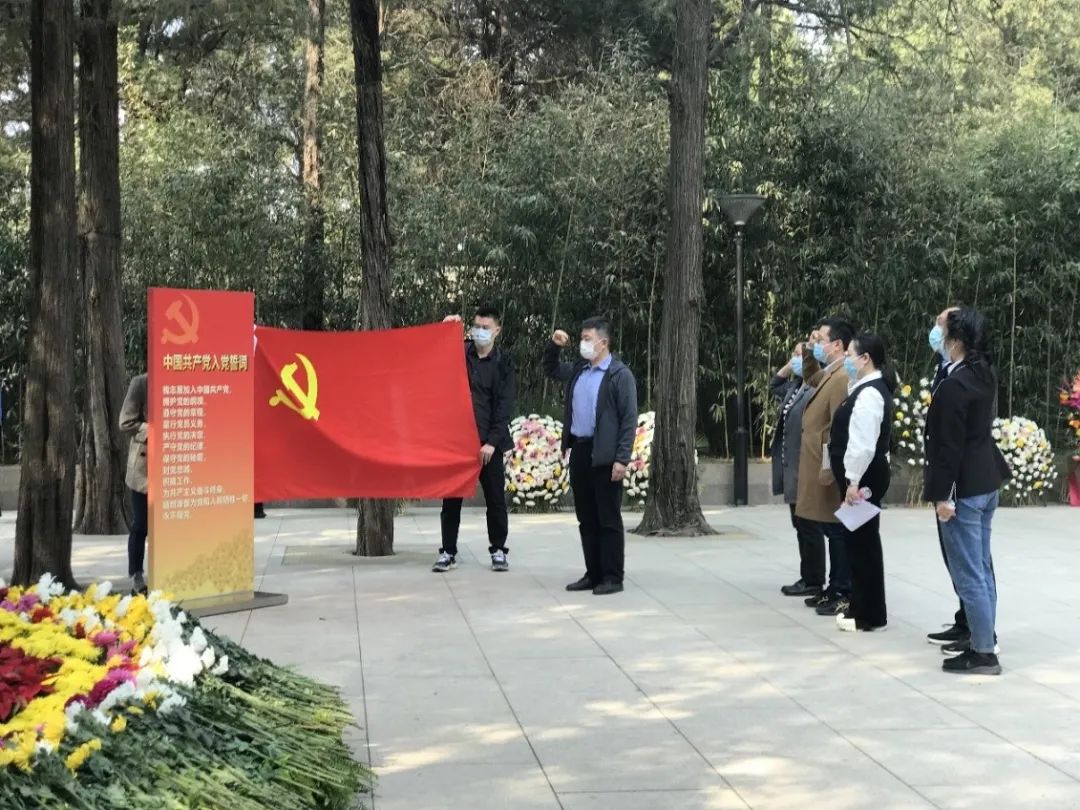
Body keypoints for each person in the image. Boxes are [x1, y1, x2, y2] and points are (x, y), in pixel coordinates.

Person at [924, 307, 1010, 675]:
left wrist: (944, 496)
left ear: (956, 341)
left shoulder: (954, 385)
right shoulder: (982, 373)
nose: (938, 337)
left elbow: (947, 447)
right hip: (985, 481)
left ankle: (984, 652)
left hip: (964, 489)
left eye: (942, 331)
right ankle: (982, 637)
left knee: (970, 572)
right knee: (982, 567)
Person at [544, 317, 637, 596]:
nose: (583, 343)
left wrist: (622, 458)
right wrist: (554, 347)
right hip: (581, 450)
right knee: (586, 517)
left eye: (587, 339)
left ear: (603, 343)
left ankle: (612, 576)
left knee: (607, 518)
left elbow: (629, 419)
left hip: (606, 454)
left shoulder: (619, 375)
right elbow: (551, 369)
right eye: (582, 338)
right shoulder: (579, 370)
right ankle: (593, 573)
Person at [433, 306, 516, 573]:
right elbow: (433, 357)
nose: (480, 331)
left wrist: (491, 442)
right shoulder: (460, 353)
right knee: (451, 500)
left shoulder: (503, 363)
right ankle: (448, 551)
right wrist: (444, 328)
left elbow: (504, 405)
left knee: (495, 499)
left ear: (497, 331)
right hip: (458, 443)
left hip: (489, 444)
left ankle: (498, 550)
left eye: (485, 327)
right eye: (476, 326)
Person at [829, 333, 895, 632]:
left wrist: (852, 481)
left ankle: (868, 614)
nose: (847, 360)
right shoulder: (864, 388)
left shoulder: (870, 393)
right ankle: (862, 607)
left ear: (865, 358)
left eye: (850, 355)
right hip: (863, 475)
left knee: (863, 545)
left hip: (864, 476)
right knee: (859, 543)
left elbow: (863, 443)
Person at [795, 319, 856, 616]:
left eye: (821, 340)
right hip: (817, 462)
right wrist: (808, 350)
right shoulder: (831, 372)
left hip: (827, 465)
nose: (816, 343)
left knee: (836, 529)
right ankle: (834, 587)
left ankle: (841, 588)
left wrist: (829, 467)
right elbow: (811, 377)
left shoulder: (842, 376)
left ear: (837, 345)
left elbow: (836, 429)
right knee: (829, 527)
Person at [771, 342, 823, 598]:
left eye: (800, 356)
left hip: (805, 466)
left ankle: (813, 579)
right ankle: (807, 575)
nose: (795, 359)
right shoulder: (795, 387)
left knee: (808, 525)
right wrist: (788, 367)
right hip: (792, 466)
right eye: (793, 355)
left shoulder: (815, 387)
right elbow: (774, 386)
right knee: (799, 523)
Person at [119, 373, 149, 595]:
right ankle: (136, 574)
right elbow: (125, 422)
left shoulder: (183, 378)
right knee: (141, 524)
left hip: (176, 464)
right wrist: (152, 429)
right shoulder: (141, 382)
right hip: (144, 469)